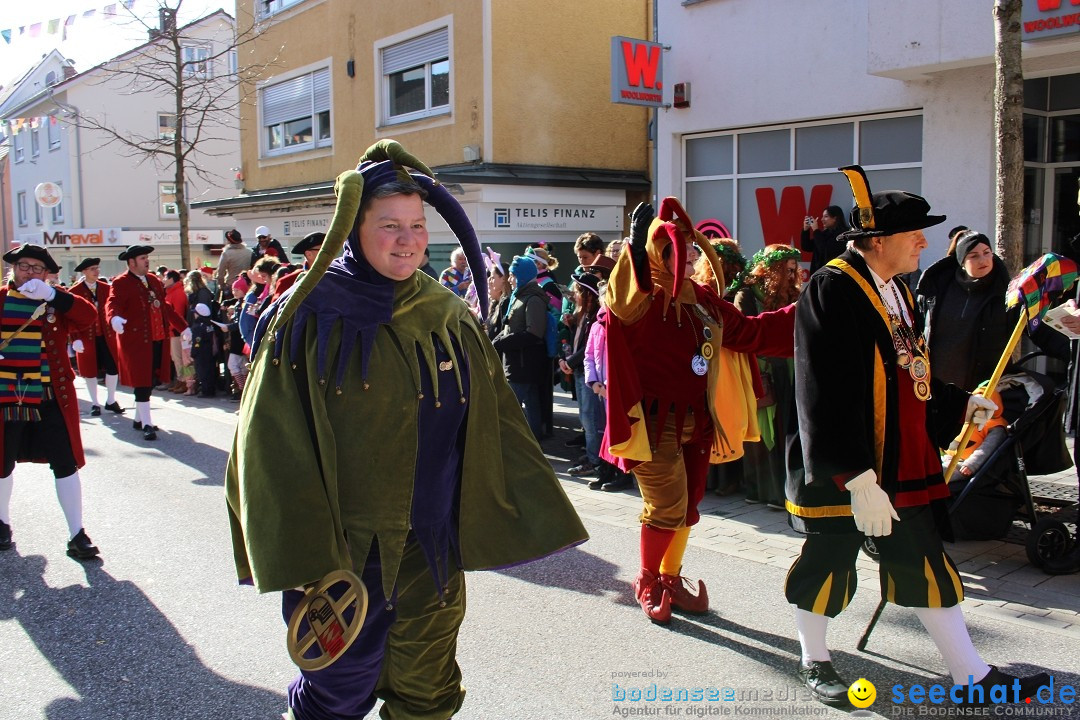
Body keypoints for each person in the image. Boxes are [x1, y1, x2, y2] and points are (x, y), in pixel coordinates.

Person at [225, 140, 587, 720]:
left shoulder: (446, 314)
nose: (408, 239)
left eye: (417, 225)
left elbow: (492, 428)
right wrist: (302, 553)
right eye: (389, 225)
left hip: (431, 548)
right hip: (342, 557)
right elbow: (268, 447)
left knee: (428, 690)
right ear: (352, 229)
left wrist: (500, 512)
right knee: (337, 694)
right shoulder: (308, 316)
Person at [785, 165, 1048, 708]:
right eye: (915, 234)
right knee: (828, 564)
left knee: (926, 560)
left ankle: (971, 676)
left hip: (904, 462)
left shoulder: (899, 290)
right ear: (877, 242)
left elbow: (910, 374)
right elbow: (823, 393)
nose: (926, 242)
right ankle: (814, 657)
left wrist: (958, 404)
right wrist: (857, 481)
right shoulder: (830, 289)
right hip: (847, 468)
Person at [604, 198, 796, 625]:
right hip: (652, 424)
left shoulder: (704, 299)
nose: (693, 257)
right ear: (661, 254)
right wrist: (636, 245)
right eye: (684, 251)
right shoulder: (641, 295)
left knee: (689, 506)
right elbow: (621, 301)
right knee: (667, 507)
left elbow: (751, 332)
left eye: (694, 251)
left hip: (698, 420)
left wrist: (811, 312)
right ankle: (648, 580)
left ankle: (670, 578)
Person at [0, 244, 100, 559]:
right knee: (1, 464)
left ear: (46, 274)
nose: (29, 272)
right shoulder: (1, 299)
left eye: (37, 268)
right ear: (13, 269)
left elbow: (89, 316)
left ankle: (76, 533)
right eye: (24, 266)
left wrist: (54, 295)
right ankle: (1, 524)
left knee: (65, 464)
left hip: (49, 395)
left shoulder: (54, 301)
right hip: (7, 395)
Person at [916, 230, 1070, 393]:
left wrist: (1073, 351)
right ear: (961, 262)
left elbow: (1040, 331)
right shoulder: (935, 291)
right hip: (934, 391)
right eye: (973, 256)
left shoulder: (1010, 297)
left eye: (986, 253)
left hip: (982, 395)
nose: (982, 260)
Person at [732, 245, 802, 508]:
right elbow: (746, 332)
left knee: (787, 429)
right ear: (770, 270)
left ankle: (784, 490)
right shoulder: (746, 295)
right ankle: (762, 491)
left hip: (791, 370)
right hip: (762, 371)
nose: (791, 274)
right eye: (786, 269)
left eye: (794, 269)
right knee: (762, 433)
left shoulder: (793, 293)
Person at [105, 246, 188, 441]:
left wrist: (183, 326)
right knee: (142, 381)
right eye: (143, 258)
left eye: (147, 258)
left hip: (157, 337)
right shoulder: (121, 282)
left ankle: (138, 419)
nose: (147, 261)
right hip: (136, 340)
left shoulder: (152, 280)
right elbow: (112, 303)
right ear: (131, 262)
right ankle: (147, 424)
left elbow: (164, 307)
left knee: (151, 379)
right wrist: (114, 318)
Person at [491, 255, 549, 440]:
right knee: (531, 406)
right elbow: (510, 326)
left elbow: (534, 333)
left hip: (524, 365)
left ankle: (519, 445)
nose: (510, 279)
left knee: (509, 408)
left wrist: (502, 343)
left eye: (513, 275)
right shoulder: (520, 296)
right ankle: (534, 444)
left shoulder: (532, 299)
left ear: (522, 275)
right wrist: (496, 341)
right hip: (517, 363)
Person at [560, 270, 604, 477]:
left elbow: (587, 348)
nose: (574, 295)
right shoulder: (583, 315)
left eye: (577, 291)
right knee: (585, 416)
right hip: (579, 370)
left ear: (588, 295)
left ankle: (596, 460)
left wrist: (569, 362)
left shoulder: (595, 316)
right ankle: (592, 452)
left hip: (588, 373)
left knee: (591, 417)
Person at [68, 257, 123, 417]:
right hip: (86, 337)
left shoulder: (107, 288)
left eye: (97, 268)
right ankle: (95, 403)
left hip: (107, 336)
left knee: (113, 367)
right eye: (93, 269)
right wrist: (75, 338)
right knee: (89, 370)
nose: (97, 271)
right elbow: (70, 318)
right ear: (84, 272)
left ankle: (111, 400)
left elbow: (115, 307)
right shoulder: (74, 292)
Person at [184, 270, 217, 397]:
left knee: (199, 365)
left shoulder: (202, 294)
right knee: (189, 362)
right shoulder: (198, 294)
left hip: (200, 335)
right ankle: (191, 385)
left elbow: (204, 311)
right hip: (193, 329)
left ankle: (197, 386)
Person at [162, 270, 191, 394]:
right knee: (177, 358)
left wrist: (174, 329)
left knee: (182, 359)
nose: (163, 280)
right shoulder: (171, 292)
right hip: (174, 331)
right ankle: (182, 379)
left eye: (165, 277)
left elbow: (177, 314)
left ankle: (186, 381)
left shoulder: (178, 293)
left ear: (172, 279)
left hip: (178, 332)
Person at [800, 205, 850, 274]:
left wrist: (816, 230)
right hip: (818, 275)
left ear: (835, 218)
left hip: (833, 275)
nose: (822, 219)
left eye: (826, 216)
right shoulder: (824, 233)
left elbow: (825, 249)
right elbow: (806, 247)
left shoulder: (843, 235)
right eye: (823, 216)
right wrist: (806, 230)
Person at [275, 231, 325, 297]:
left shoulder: (337, 275)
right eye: (323, 250)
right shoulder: (287, 282)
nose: (329, 254)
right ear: (309, 254)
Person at [215, 229, 251, 300]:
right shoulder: (249, 252)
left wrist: (223, 286)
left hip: (231, 286)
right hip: (246, 286)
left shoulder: (226, 254)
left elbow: (220, 274)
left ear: (229, 242)